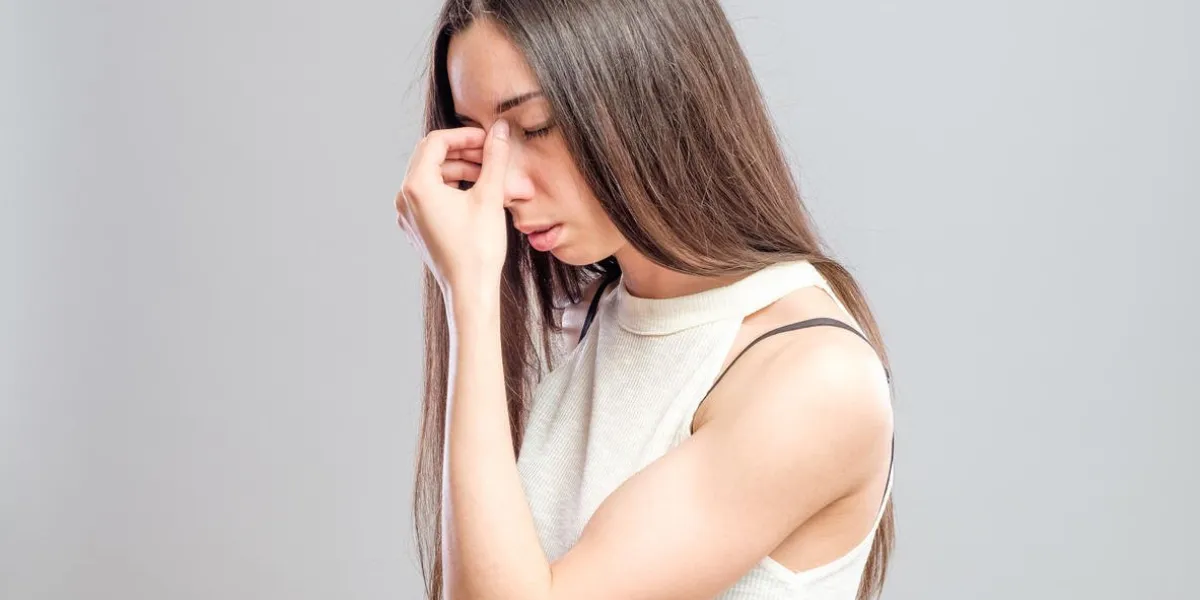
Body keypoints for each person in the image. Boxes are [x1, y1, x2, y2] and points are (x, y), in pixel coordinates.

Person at [395, 1, 895, 599]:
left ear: (649, 89)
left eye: (535, 128)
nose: (500, 186)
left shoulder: (813, 380)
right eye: (482, 144)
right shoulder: (590, 314)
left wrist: (469, 294)